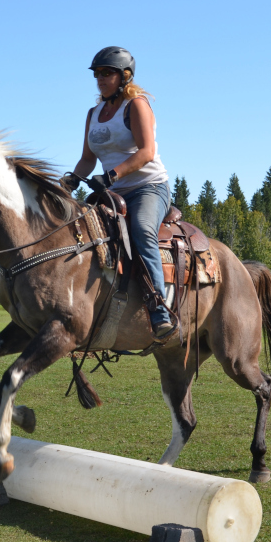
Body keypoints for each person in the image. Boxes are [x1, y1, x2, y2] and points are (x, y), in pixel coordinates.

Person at [70, 46, 174, 339]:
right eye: (97, 74)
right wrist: (69, 182)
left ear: (124, 76)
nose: (100, 79)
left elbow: (147, 152)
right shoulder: (93, 114)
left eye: (107, 73)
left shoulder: (136, 104)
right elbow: (88, 159)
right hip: (111, 192)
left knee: (142, 230)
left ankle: (159, 310)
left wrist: (112, 175)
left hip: (148, 188)